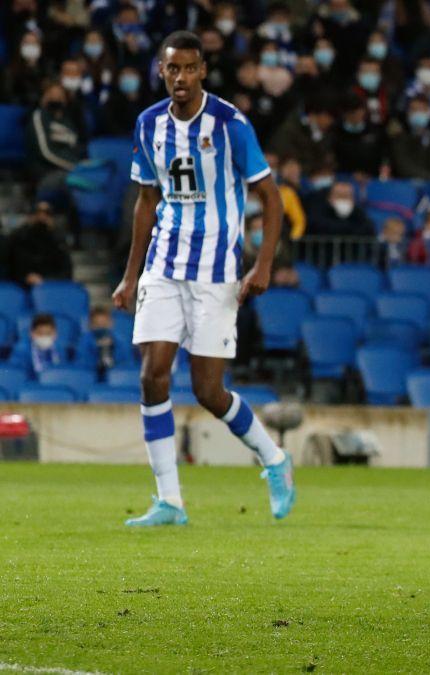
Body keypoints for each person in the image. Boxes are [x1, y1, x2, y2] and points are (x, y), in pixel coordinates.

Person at [112, 31, 295, 528]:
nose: (181, 78)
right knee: (152, 375)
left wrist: (262, 265)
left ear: (203, 72)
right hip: (164, 265)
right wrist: (130, 276)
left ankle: (274, 458)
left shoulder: (230, 124)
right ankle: (169, 500)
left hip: (217, 271)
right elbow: (146, 201)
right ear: (162, 71)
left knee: (209, 391)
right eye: (173, 69)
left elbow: (271, 198)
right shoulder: (149, 124)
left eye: (190, 68)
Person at [6, 201, 72, 287]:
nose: (42, 217)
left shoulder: (58, 240)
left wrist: (46, 279)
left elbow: (66, 270)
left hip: (51, 286)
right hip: (21, 285)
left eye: (47, 213)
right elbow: (11, 265)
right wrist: (25, 277)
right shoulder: (19, 237)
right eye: (37, 212)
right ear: (30, 216)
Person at [306, 181, 374, 237]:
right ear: (330, 198)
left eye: (346, 196)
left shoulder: (360, 215)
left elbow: (368, 229)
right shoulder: (318, 214)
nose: (343, 199)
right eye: (339, 195)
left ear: (353, 199)